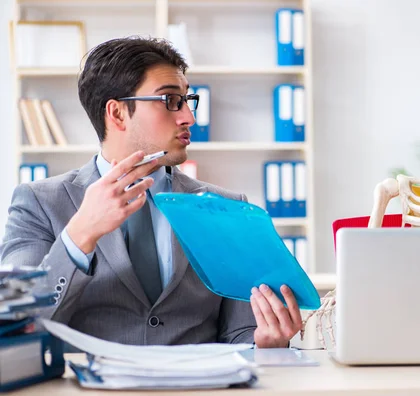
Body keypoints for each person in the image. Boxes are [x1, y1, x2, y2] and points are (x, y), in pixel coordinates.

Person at [0, 36, 302, 348]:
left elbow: (241, 333)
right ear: (117, 114)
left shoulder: (227, 207)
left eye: (187, 100)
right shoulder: (38, 203)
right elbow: (22, 326)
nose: (189, 118)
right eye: (170, 101)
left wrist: (265, 343)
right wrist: (80, 234)